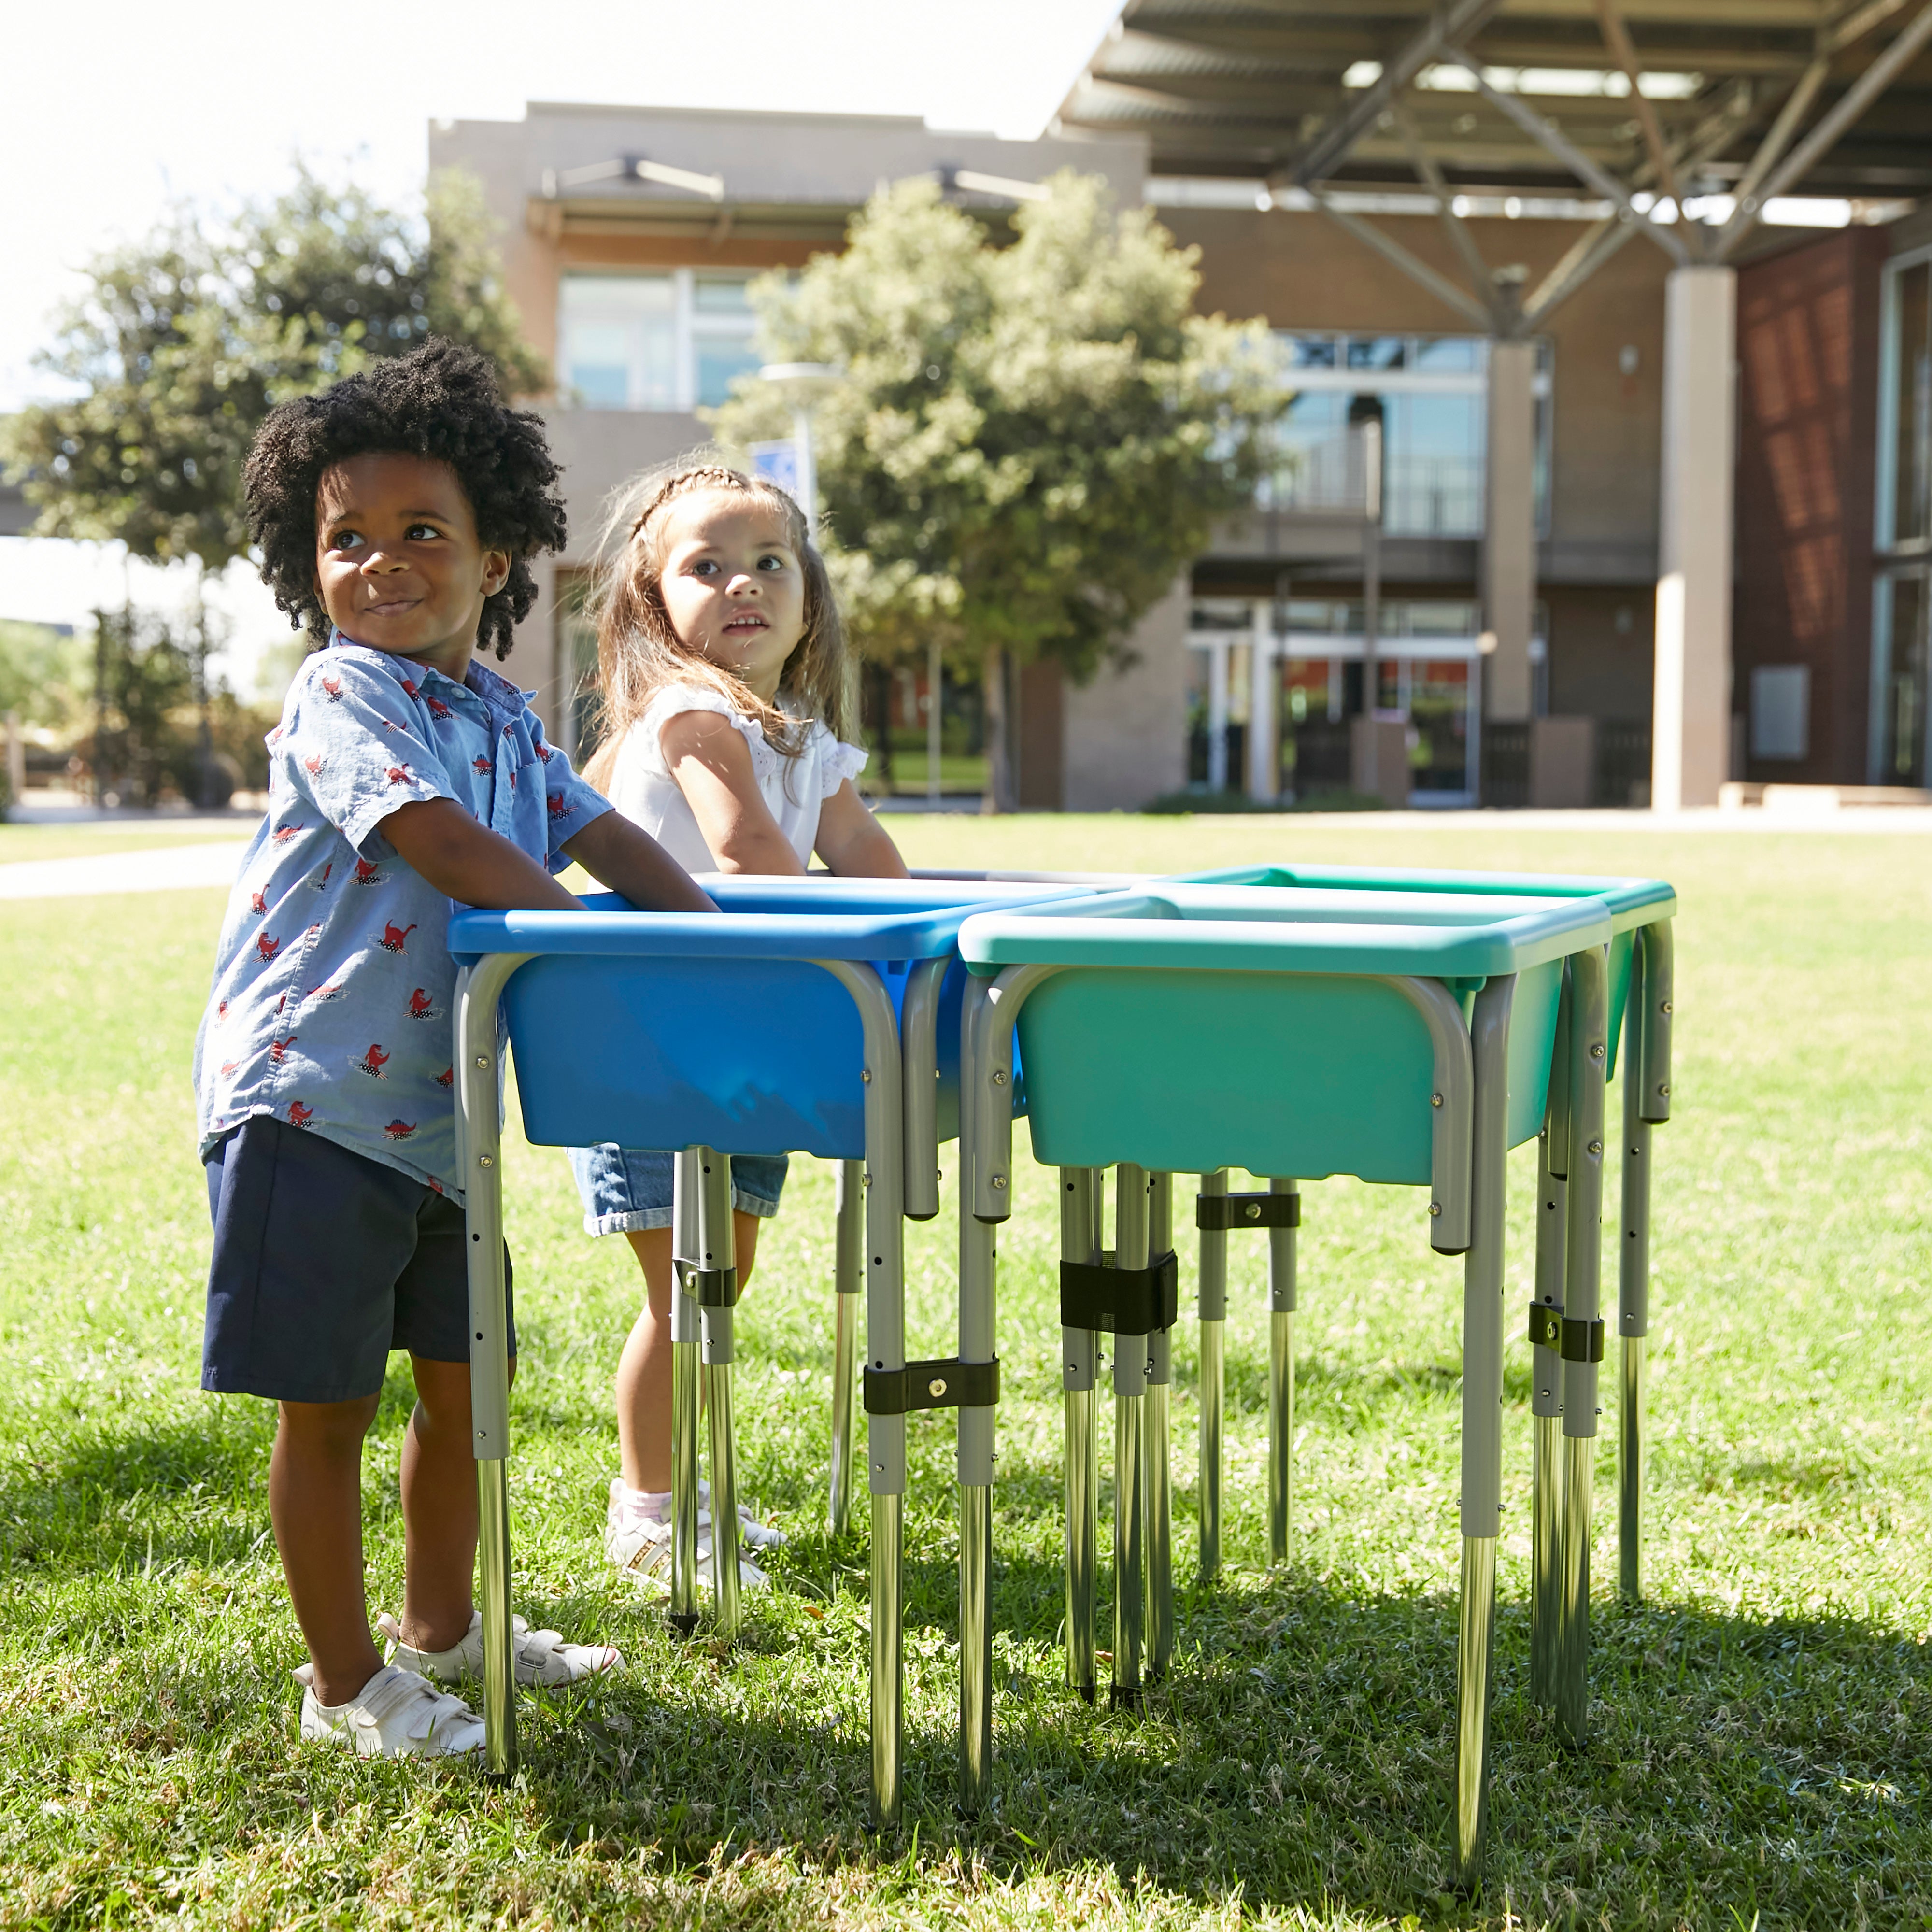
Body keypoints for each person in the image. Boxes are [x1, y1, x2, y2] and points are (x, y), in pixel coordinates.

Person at [194, 341, 716, 1757]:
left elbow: (595, 829)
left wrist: (716, 937)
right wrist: (599, 941)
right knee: (330, 1411)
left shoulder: (492, 711)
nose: (379, 563)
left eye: (422, 531)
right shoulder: (341, 697)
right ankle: (345, 1685)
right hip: (308, 1101)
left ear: (498, 563)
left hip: (440, 1120)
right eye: (344, 538)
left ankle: (447, 1628)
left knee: (459, 1384)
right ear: (311, 570)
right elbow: (444, 843)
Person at [571, 458, 908, 1591]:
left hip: (734, 1049)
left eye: (769, 562)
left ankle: (689, 1483)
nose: (743, 586)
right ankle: (648, 1511)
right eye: (704, 567)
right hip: (651, 1046)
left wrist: (918, 936)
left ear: (808, 590)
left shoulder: (797, 734)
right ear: (650, 597)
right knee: (681, 1292)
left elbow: (865, 855)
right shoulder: (691, 712)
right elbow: (752, 855)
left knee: (722, 1277)